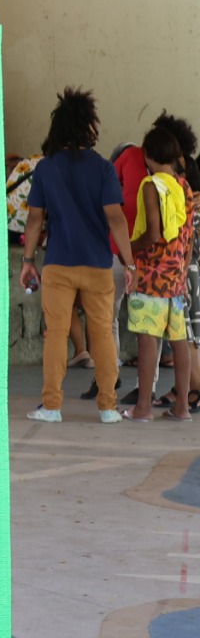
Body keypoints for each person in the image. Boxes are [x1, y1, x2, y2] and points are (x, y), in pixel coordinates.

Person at [19, 88, 136, 423]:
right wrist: (129, 263)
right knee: (102, 331)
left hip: (59, 263)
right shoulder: (102, 168)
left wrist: (28, 261)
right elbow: (115, 217)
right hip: (98, 264)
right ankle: (108, 406)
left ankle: (52, 405)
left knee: (55, 332)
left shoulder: (46, 168)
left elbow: (35, 218)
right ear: (88, 126)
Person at [124, 128, 196, 422]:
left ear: (148, 156)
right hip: (176, 278)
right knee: (179, 341)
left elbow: (153, 233)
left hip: (151, 277)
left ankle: (142, 407)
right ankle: (183, 406)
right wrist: (180, 270)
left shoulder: (151, 185)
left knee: (148, 340)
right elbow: (188, 238)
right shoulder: (184, 187)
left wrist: (129, 249)